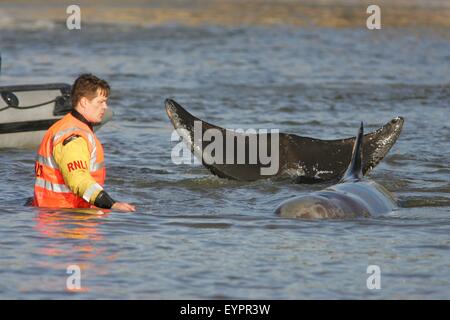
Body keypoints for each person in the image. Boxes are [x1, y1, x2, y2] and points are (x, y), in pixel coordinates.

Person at [33, 74, 135, 212]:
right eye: (100, 102)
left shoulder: (67, 126)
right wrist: (112, 204)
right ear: (84, 102)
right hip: (67, 219)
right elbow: (78, 180)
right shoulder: (73, 136)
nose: (105, 107)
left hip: (52, 215)